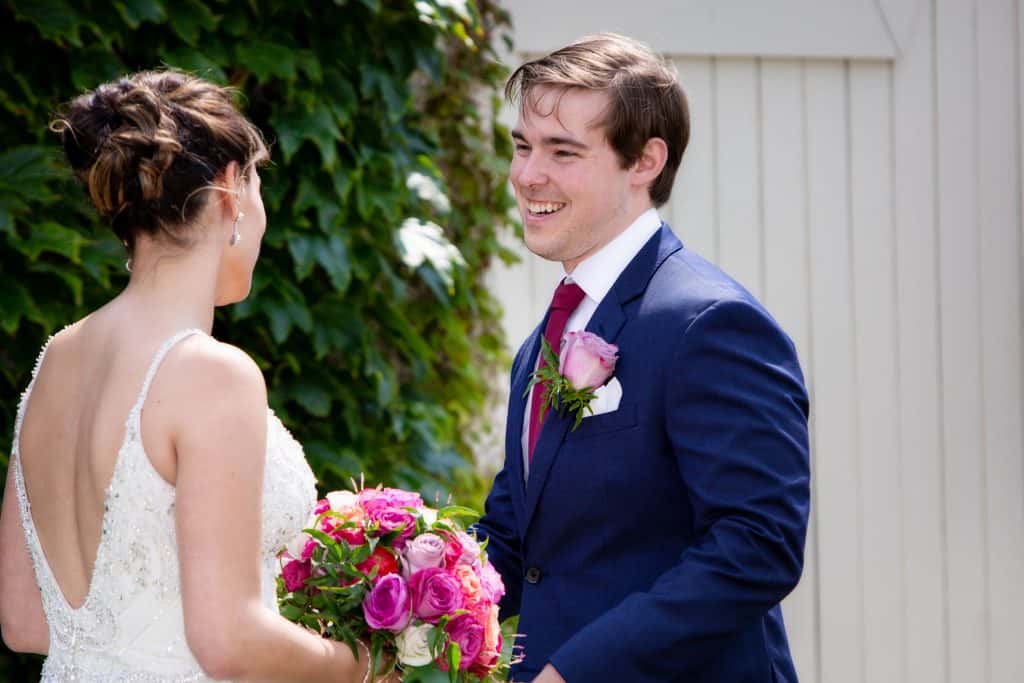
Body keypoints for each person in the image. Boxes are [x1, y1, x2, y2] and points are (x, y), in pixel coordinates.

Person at [0, 70, 386, 682]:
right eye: (259, 185)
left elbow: (23, 619)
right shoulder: (211, 373)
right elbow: (227, 638)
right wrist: (359, 665)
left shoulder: (54, 362)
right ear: (232, 188)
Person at [474, 34, 811, 682]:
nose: (526, 174)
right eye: (522, 145)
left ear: (645, 161)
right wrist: (399, 615)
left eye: (562, 151)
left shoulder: (712, 323)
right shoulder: (550, 335)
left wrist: (578, 671)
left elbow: (757, 546)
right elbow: (516, 536)